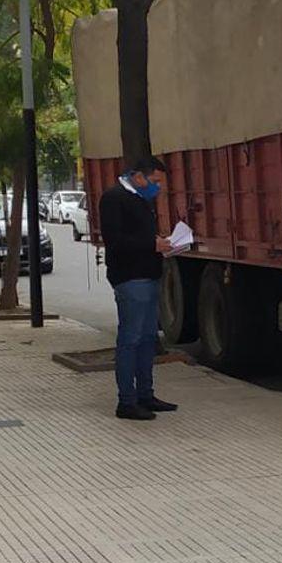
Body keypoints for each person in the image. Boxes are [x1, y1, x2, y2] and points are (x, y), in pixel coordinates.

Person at [98, 156, 178, 421]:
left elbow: (138, 235)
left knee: (146, 339)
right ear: (138, 176)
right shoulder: (114, 198)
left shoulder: (140, 199)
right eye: (154, 181)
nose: (157, 188)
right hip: (130, 278)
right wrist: (151, 244)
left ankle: (146, 394)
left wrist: (159, 243)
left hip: (149, 274)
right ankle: (127, 400)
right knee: (130, 339)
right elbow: (115, 240)